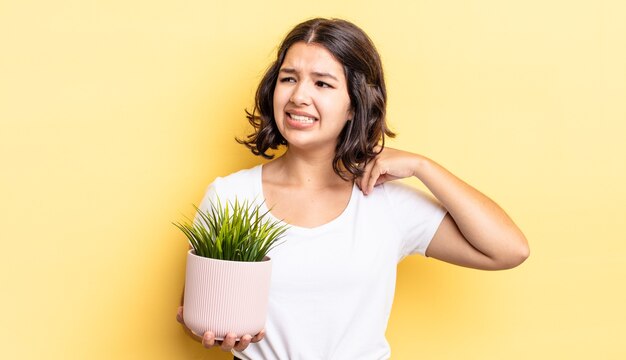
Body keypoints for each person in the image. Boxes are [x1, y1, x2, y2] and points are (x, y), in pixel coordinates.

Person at [176, 18, 529, 359]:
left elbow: (509, 250)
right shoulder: (230, 196)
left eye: (322, 84)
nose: (299, 95)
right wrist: (211, 330)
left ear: (354, 105)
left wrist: (424, 167)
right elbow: (196, 314)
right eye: (289, 78)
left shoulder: (383, 201)